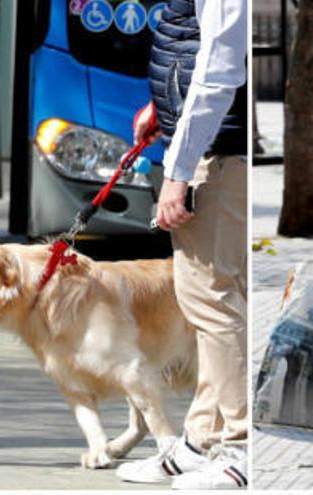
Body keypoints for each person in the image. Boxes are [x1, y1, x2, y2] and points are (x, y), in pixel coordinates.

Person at [114, 0, 248, 489]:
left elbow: (219, 67)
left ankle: (239, 448)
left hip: (219, 153)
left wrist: (179, 170)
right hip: (211, 144)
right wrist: (166, 109)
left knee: (212, 299)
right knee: (212, 298)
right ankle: (201, 440)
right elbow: (197, 50)